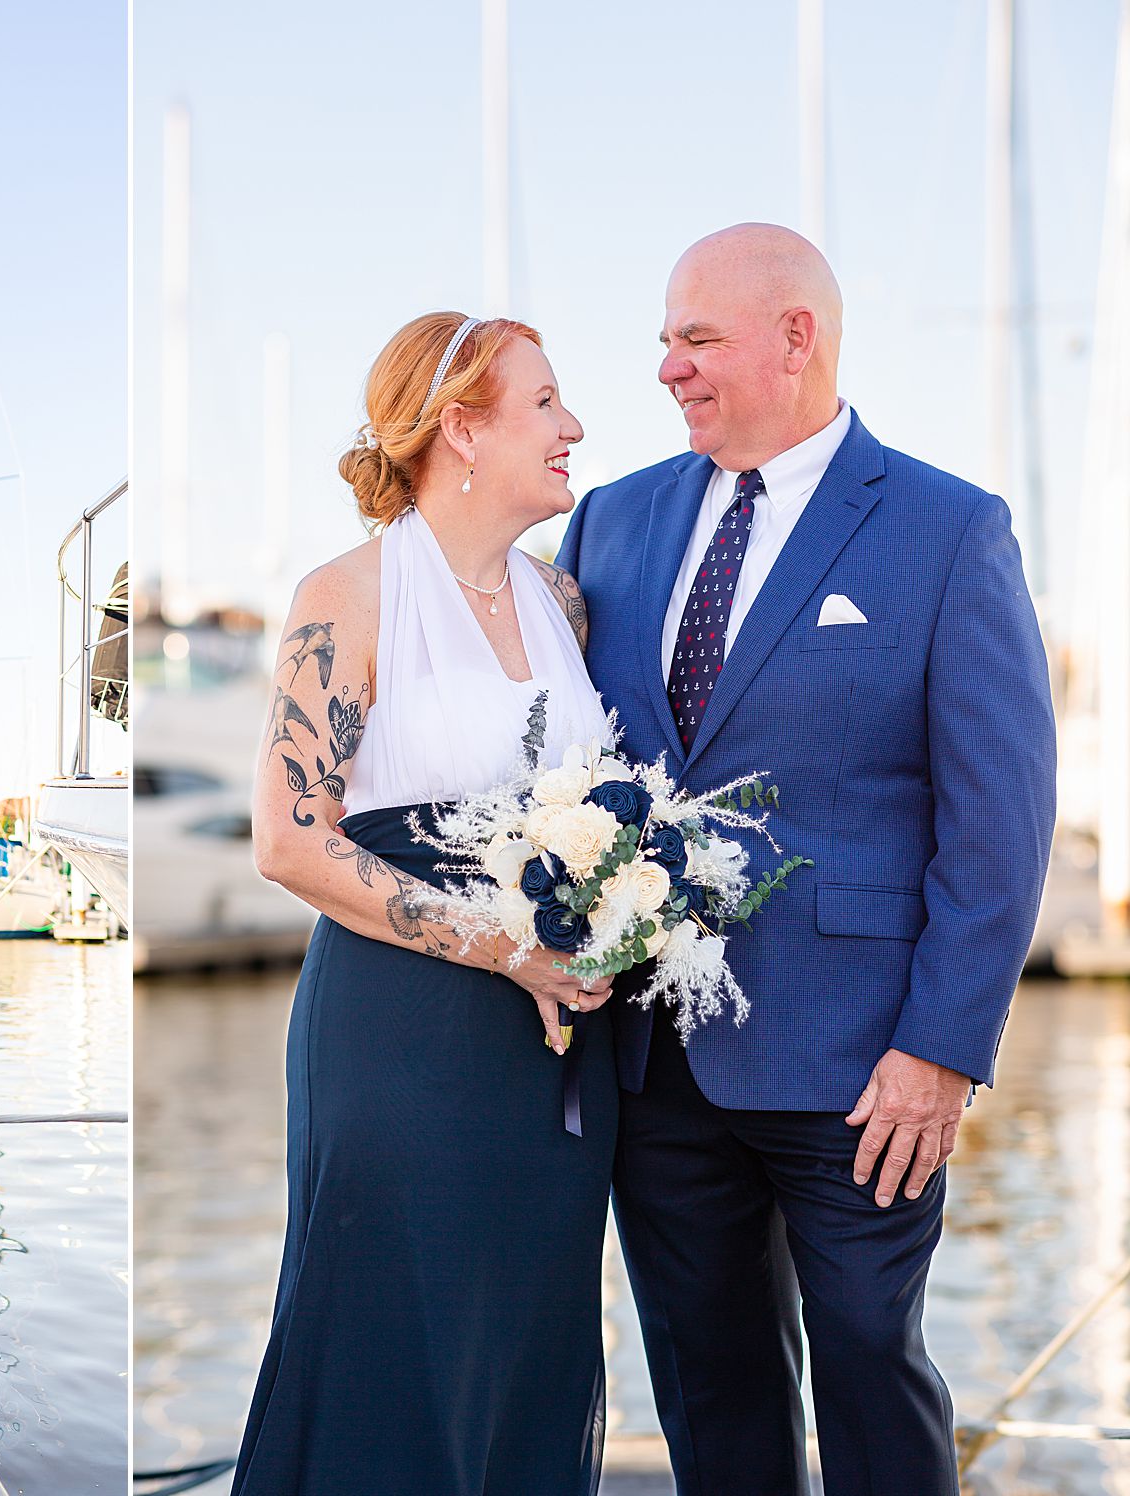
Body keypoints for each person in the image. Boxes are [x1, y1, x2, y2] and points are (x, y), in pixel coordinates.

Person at [556, 223, 1056, 1496]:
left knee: (868, 1365)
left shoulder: (946, 529)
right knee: (707, 1387)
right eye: (663, 338)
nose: (663, 366)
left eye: (694, 338)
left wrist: (941, 1047)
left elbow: (997, 818)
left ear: (797, 338)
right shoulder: (610, 523)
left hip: (861, 1063)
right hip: (654, 1054)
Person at [233, 312, 615, 1494]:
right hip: (402, 1032)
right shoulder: (348, 593)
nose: (573, 426)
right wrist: (499, 947)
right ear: (462, 426)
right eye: (544, 402)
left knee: (525, 1345)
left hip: (550, 1047)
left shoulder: (563, 602)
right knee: (392, 1345)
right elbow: (288, 842)